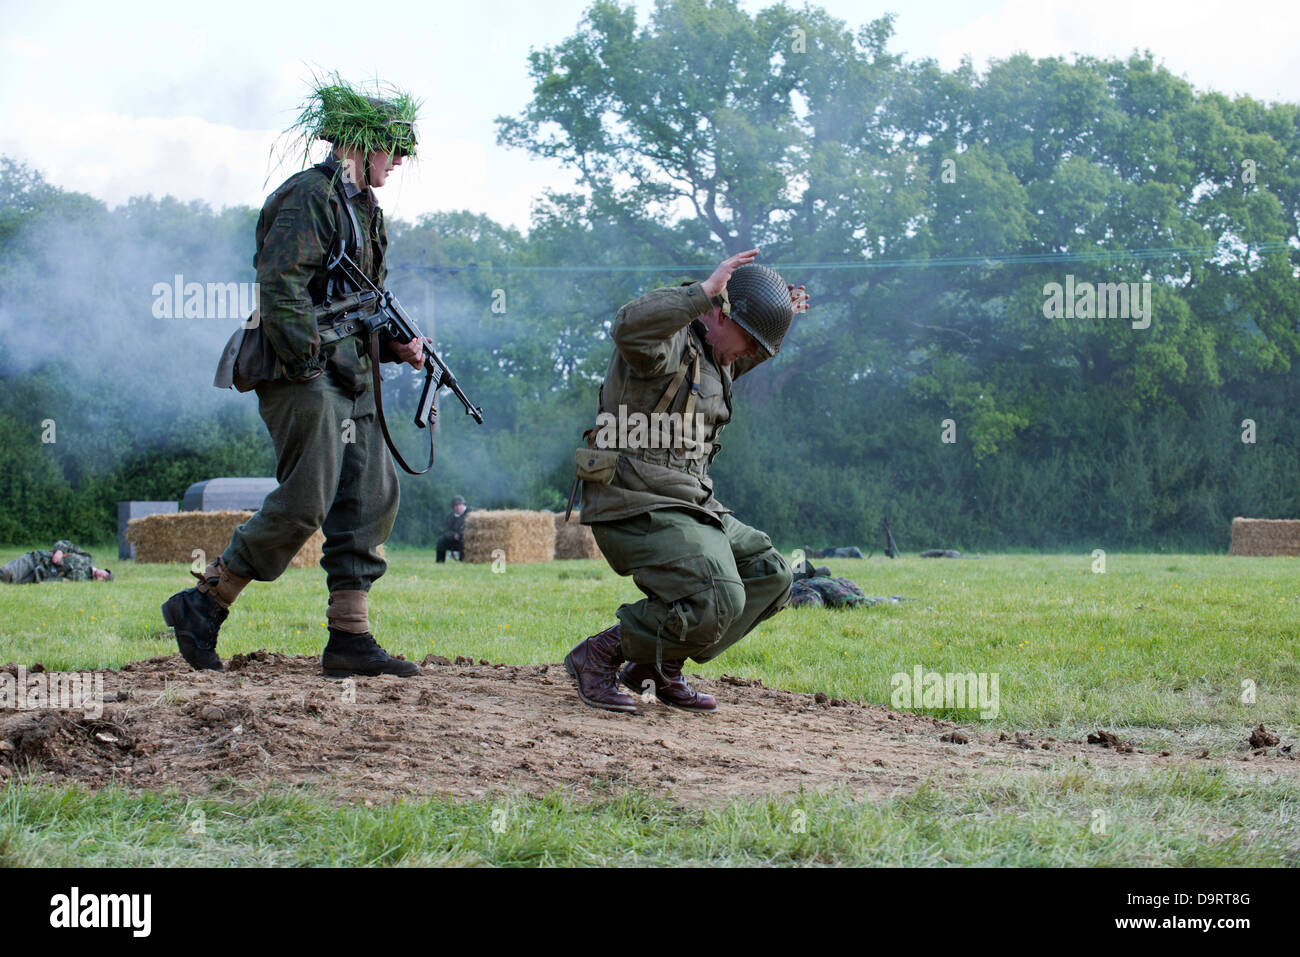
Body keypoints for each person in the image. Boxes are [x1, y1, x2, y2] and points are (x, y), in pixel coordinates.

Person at [162, 75, 427, 677]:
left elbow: (357, 304)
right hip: (300, 370)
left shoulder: (367, 209)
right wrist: (312, 362)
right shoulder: (310, 196)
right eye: (397, 146)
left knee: (370, 497)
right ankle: (202, 605)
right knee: (305, 501)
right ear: (364, 142)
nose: (403, 159)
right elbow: (280, 286)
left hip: (351, 375)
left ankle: (350, 638)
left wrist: (394, 348)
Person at [565, 250, 809, 712]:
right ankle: (598, 655)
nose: (753, 354)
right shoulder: (665, 341)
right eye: (751, 340)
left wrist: (775, 315)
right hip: (633, 498)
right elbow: (627, 327)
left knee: (770, 574)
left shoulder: (717, 355)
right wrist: (700, 294)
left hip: (688, 502)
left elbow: (732, 361)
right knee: (719, 594)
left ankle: (657, 664)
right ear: (719, 311)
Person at [1, 541, 112, 584]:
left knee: (9, 582)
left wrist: (45, 582)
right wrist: (59, 552)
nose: (101, 577)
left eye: (103, 580)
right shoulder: (86, 558)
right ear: (105, 570)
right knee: (5, 573)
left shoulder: (82, 582)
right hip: (36, 560)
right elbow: (66, 543)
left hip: (37, 576)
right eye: (105, 575)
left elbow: (61, 581)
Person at [436, 495, 470, 562]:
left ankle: (463, 561)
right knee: (441, 541)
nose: (458, 507)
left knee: (464, 541)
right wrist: (453, 535)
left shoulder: (471, 513)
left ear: (463, 505)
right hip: (454, 540)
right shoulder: (449, 517)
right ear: (453, 507)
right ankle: (440, 561)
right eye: (456, 505)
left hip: (467, 539)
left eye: (460, 505)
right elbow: (446, 531)